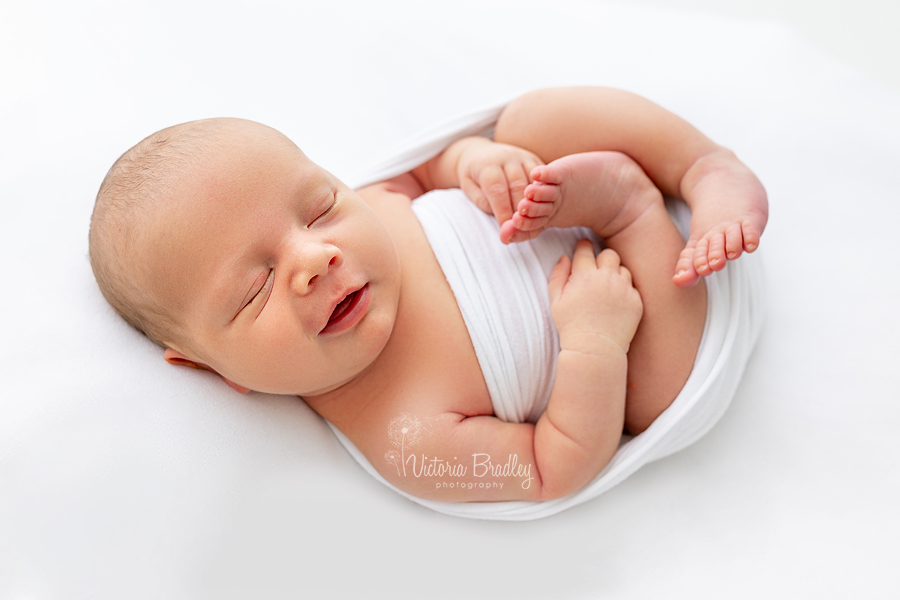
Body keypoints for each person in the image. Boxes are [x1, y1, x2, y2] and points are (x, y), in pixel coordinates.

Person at [89, 86, 768, 502]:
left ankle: (704, 167)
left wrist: (475, 165)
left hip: (549, 202)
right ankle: (632, 205)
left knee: (534, 118)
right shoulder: (402, 437)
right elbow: (551, 467)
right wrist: (595, 345)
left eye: (320, 207)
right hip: (633, 326)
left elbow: (422, 172)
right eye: (256, 287)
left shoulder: (377, 205)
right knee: (657, 394)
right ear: (209, 366)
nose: (316, 257)